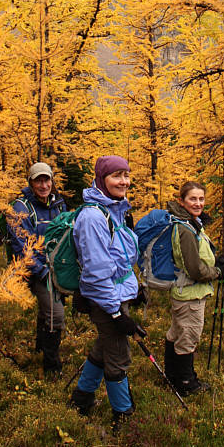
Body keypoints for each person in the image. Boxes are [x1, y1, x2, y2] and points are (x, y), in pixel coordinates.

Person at [69, 155, 142, 426]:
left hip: (116, 294)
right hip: (105, 299)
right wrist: (115, 313)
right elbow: (98, 273)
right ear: (102, 179)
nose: (124, 181)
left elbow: (119, 258)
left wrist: (134, 288)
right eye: (116, 176)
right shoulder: (93, 217)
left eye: (126, 175)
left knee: (104, 346)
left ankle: (81, 399)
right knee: (118, 356)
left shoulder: (115, 209)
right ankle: (123, 415)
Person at [164, 181, 224, 395]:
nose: (198, 203)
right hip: (190, 294)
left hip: (183, 292)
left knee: (177, 333)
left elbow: (197, 259)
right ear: (181, 201)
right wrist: (218, 272)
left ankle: (171, 377)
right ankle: (186, 382)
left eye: (201, 199)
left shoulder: (189, 224)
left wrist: (215, 262)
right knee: (188, 336)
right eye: (192, 198)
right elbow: (195, 269)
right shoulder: (185, 229)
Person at [7, 162, 67, 376]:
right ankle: (52, 367)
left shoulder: (58, 204)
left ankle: (40, 348)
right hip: (33, 270)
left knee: (47, 309)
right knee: (55, 314)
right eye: (38, 181)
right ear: (31, 183)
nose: (43, 185)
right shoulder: (20, 209)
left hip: (55, 269)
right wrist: (42, 272)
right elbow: (22, 248)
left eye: (46, 180)